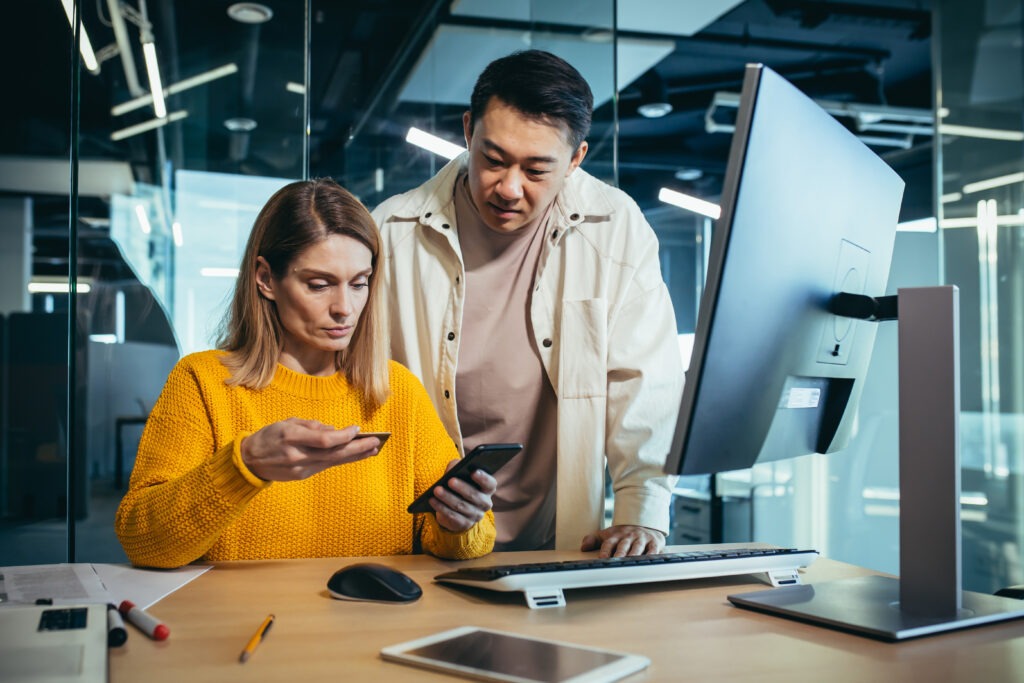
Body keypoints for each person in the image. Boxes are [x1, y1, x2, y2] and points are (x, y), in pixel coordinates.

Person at [372, 50, 683, 557]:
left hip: (555, 540)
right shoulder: (392, 231)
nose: (509, 188)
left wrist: (641, 513)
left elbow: (645, 381)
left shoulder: (616, 226)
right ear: (468, 130)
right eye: (493, 160)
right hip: (421, 540)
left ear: (576, 159)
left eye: (537, 170)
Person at [116, 179, 496, 569]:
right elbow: (143, 542)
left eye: (359, 284)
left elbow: (465, 539)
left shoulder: (396, 390)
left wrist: (458, 522)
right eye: (319, 285)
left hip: (376, 624)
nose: (344, 308)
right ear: (265, 279)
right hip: (244, 624)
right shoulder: (203, 381)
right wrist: (242, 466)